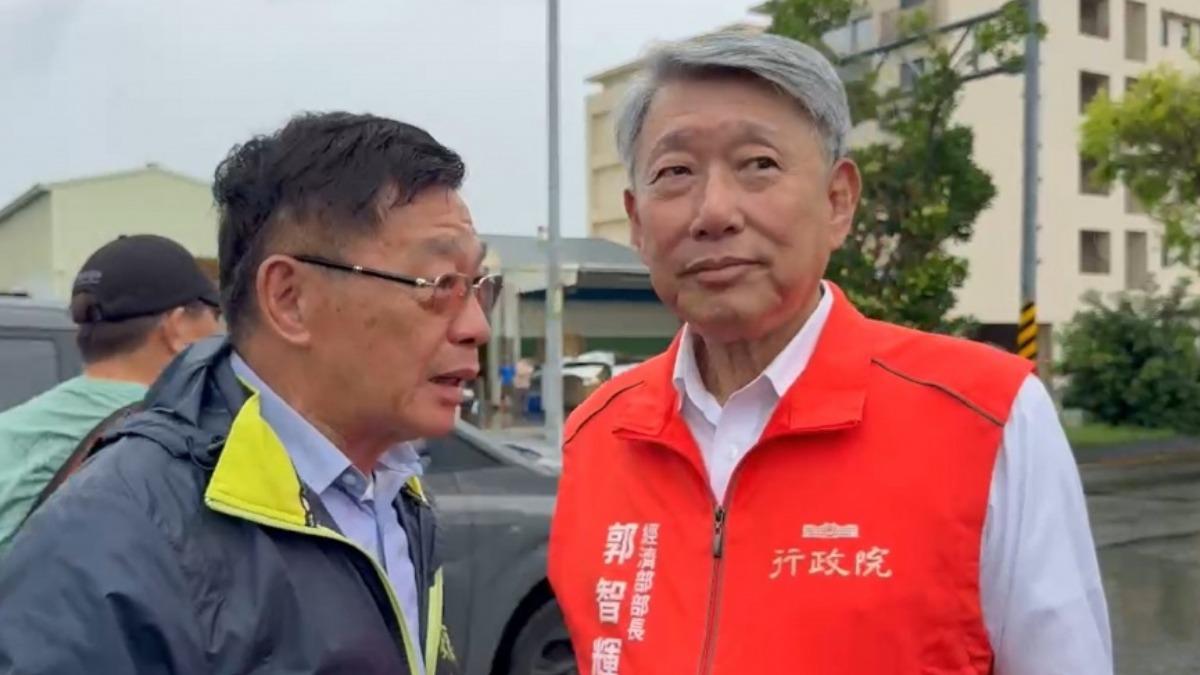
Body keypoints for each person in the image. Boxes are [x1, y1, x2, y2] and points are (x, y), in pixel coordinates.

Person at [548, 32, 1111, 675]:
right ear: (637, 222)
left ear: (838, 200)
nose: (714, 211)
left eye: (758, 164)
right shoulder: (597, 436)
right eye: (675, 172)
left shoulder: (988, 416)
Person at [0, 112, 496, 675]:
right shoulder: (111, 543)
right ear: (289, 299)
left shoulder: (393, 491)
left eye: (479, 286)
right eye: (440, 286)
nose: (476, 326)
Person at [0, 234, 221, 554]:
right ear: (177, 327)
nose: (219, 332)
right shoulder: (178, 445)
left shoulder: (10, 427)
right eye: (215, 314)